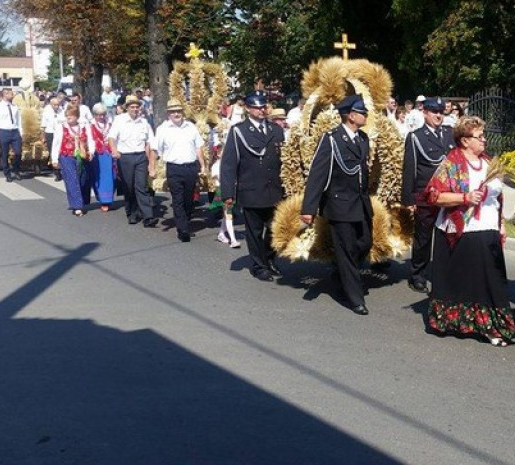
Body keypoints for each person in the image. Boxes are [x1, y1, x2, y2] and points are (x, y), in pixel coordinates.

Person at [423, 116, 515, 346]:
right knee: (466, 279)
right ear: (465, 141)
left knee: (490, 280)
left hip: (488, 228)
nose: (484, 140)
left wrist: (502, 224)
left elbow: (498, 197)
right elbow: (433, 195)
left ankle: (491, 325)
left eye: (484, 136)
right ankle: (458, 321)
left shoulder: (489, 163)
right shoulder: (451, 163)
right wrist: (464, 197)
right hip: (463, 229)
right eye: (480, 136)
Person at [300, 90, 373, 314]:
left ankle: (340, 274)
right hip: (339, 204)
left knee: (365, 243)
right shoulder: (331, 139)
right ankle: (355, 297)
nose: (365, 115)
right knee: (347, 250)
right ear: (350, 115)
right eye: (362, 112)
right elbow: (317, 174)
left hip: (360, 203)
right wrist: (309, 208)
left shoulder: (363, 138)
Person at [221, 92, 285, 281]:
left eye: (263, 106)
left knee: (276, 228)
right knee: (255, 232)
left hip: (274, 189)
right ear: (248, 109)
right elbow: (229, 164)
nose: (261, 110)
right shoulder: (239, 131)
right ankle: (259, 266)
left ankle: (269, 258)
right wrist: (228, 193)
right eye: (256, 107)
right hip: (251, 190)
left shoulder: (276, 130)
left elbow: (284, 160)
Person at [401, 97, 455, 293]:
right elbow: (410, 169)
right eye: (434, 112)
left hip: (447, 196)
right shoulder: (416, 137)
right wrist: (409, 198)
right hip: (425, 195)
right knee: (423, 238)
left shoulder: (450, 134)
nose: (438, 115)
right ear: (424, 113)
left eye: (441, 112)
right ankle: (418, 275)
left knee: (447, 236)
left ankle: (444, 273)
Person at [154, 99, 208, 242]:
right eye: (173, 112)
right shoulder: (162, 129)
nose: (176, 114)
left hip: (191, 168)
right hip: (174, 168)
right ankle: (182, 230)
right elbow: (156, 149)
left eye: (178, 111)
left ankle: (186, 221)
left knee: (188, 199)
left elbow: (198, 147)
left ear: (183, 112)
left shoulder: (191, 127)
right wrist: (152, 167)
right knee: (177, 199)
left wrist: (203, 165)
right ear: (168, 113)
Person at [108, 94, 158, 227]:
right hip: (125, 157)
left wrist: (151, 162)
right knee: (129, 187)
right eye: (132, 107)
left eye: (137, 107)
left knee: (141, 187)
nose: (135, 109)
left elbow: (151, 141)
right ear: (127, 108)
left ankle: (148, 216)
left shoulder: (144, 122)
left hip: (140, 156)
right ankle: (131, 212)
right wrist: (114, 151)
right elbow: (111, 137)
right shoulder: (119, 120)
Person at [50, 105, 94, 216]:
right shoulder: (61, 127)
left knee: (83, 179)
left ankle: (83, 200)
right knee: (72, 179)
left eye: (71, 116)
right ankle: (77, 206)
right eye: (67, 116)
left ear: (76, 116)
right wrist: (54, 159)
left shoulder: (84, 126)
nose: (68, 117)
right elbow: (56, 143)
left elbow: (90, 139)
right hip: (66, 156)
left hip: (82, 156)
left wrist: (92, 151)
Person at [0, 90, 24, 182]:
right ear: (5, 95)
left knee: (18, 152)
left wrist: (21, 132)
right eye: (10, 94)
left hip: (15, 131)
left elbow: (19, 120)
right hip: (3, 131)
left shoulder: (14, 107)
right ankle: (7, 173)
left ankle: (16, 170)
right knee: (4, 154)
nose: (12, 95)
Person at [88, 104, 115, 211]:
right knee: (100, 176)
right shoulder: (90, 125)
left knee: (112, 176)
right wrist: (91, 151)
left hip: (110, 152)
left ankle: (108, 197)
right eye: (98, 115)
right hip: (97, 154)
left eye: (103, 114)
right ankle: (104, 200)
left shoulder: (110, 123)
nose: (101, 117)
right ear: (94, 115)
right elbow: (90, 139)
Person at [41, 96, 62, 177]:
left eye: (58, 104)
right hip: (50, 133)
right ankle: (56, 172)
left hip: (59, 133)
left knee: (59, 150)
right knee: (52, 151)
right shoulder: (46, 111)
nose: (57, 106)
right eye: (55, 105)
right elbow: (43, 125)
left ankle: (61, 168)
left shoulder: (62, 111)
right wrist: (43, 137)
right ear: (51, 104)